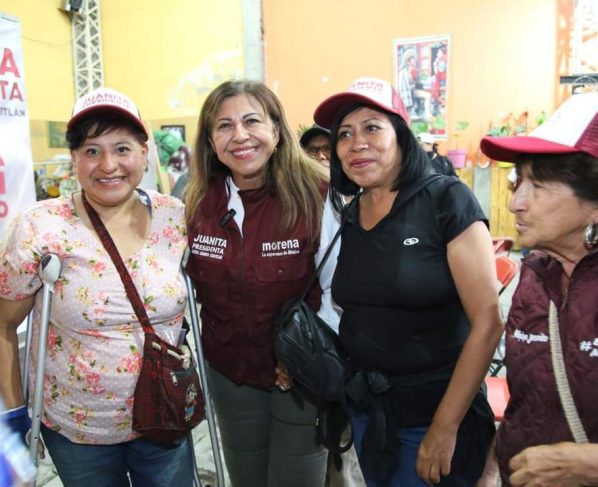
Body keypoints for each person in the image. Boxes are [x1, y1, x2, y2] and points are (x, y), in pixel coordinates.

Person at [312, 77, 503, 486]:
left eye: (372, 127)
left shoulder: (446, 200)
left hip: (434, 416)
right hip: (371, 414)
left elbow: (488, 321)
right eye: (344, 133)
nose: (356, 143)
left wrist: (445, 428)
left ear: (401, 136)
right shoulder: (350, 214)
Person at [0, 87, 194, 486]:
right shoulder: (41, 225)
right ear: (73, 159)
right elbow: (2, 326)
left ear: (143, 151)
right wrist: (14, 416)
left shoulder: (175, 219)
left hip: (165, 415)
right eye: (91, 151)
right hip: (77, 430)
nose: (108, 165)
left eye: (122, 148)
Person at [184, 79, 329, 487]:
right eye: (224, 126)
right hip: (231, 373)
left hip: (300, 376)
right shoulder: (196, 203)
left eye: (252, 121)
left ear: (277, 131)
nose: (240, 135)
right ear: (211, 141)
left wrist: (305, 356)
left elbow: (338, 291)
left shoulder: (317, 195)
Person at [477, 91, 598, 487]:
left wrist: (589, 465)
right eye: (518, 182)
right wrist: (492, 474)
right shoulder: (534, 275)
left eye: (539, 185)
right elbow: (525, 403)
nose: (516, 204)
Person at [301, 123, 365, 487]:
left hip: (355, 342)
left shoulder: (361, 202)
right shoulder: (297, 206)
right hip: (317, 342)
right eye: (312, 152)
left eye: (328, 150)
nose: (321, 158)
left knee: (349, 437)